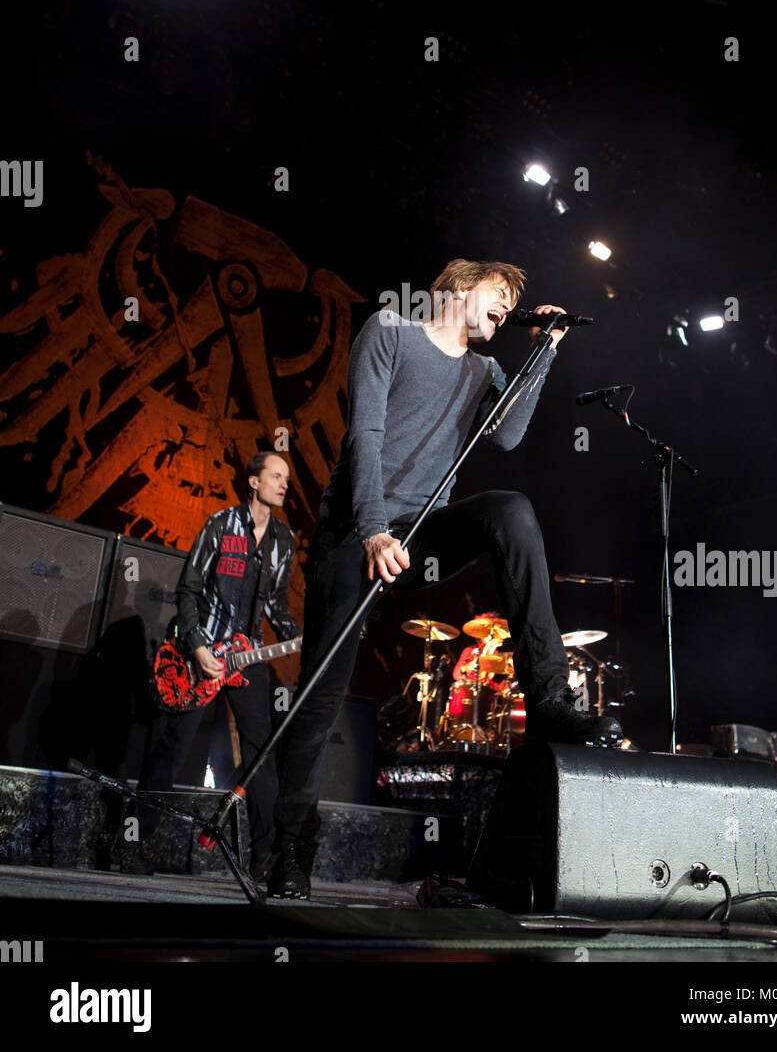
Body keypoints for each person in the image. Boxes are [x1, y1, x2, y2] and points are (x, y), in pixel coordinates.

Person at [268, 259, 622, 900]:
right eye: (500, 293)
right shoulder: (392, 331)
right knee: (321, 698)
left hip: (422, 532)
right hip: (357, 530)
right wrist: (374, 528)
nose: (509, 303)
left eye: (516, 298)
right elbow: (366, 435)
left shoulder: (485, 369)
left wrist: (545, 350)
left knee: (511, 509)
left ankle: (545, 698)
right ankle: (292, 848)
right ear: (461, 287)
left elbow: (509, 435)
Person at [136, 451, 299, 885]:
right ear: (253, 481)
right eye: (276, 475)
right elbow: (188, 589)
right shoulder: (219, 525)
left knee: (261, 757)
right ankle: (137, 845)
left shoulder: (285, 540)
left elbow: (276, 607)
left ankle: (266, 859)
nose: (284, 484)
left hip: (247, 660)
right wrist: (196, 646)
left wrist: (303, 638)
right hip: (203, 656)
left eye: (287, 478)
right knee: (172, 750)